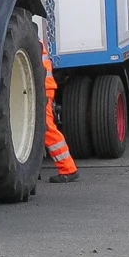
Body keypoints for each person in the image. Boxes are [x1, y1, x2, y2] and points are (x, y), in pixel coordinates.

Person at [41, 40, 78, 183]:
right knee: (42, 128)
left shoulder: (31, 40)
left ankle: (68, 169)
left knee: (46, 128)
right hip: (43, 88)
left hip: (42, 89)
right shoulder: (35, 39)